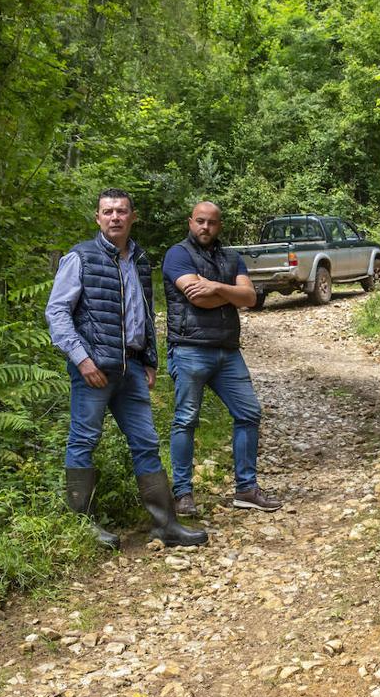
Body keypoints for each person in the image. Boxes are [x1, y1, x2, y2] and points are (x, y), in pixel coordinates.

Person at [45, 189, 207, 550]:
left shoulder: (140, 259)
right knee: (84, 441)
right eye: (108, 212)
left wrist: (149, 359)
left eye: (121, 211)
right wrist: (82, 360)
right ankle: (82, 525)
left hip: (132, 369)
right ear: (97, 218)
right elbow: (57, 313)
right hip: (94, 370)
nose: (115, 217)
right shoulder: (80, 257)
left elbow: (144, 314)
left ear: (133, 217)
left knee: (146, 443)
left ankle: (166, 524)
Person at [162, 201, 281, 514]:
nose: (205, 227)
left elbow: (251, 297)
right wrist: (231, 294)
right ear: (190, 222)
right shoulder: (178, 254)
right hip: (189, 348)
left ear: (220, 225)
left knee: (249, 413)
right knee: (186, 419)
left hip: (227, 351)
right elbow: (195, 297)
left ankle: (246, 489)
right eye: (200, 221)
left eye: (211, 223)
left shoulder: (232, 256)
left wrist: (215, 285)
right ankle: (183, 494)